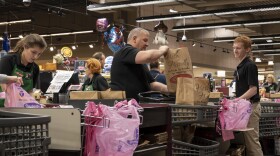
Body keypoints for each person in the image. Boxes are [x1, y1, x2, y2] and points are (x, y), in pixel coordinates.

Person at [110, 27, 169, 101]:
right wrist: (162, 50)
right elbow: (149, 56)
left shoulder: (139, 62)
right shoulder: (125, 51)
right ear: (134, 39)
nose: (147, 44)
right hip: (126, 107)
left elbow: (152, 84)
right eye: (145, 40)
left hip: (138, 106)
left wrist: (171, 89)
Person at [233, 35, 263, 156]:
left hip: (251, 107)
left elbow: (253, 90)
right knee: (246, 143)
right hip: (244, 108)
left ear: (247, 49)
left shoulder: (249, 66)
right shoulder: (240, 67)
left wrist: (237, 100)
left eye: (238, 48)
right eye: (234, 48)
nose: (235, 50)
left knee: (252, 144)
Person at [0, 34, 47, 107]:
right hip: (4, 107)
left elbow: (30, 91)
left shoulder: (35, 68)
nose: (35, 57)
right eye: (33, 52)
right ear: (25, 47)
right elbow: (4, 87)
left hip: (22, 108)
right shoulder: (8, 60)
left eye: (39, 54)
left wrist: (34, 104)